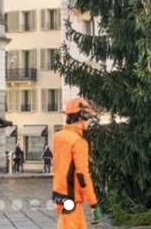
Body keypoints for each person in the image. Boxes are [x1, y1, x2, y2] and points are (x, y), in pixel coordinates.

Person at [52, 98, 102, 229]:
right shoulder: (79, 142)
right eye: (88, 117)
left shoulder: (58, 136)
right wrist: (93, 203)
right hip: (72, 196)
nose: (89, 121)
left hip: (59, 194)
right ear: (82, 116)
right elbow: (82, 175)